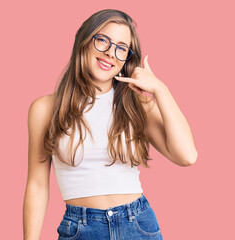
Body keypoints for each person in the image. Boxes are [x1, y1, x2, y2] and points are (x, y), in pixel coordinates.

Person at [23, 9, 198, 240]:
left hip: (138, 225)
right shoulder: (45, 109)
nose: (110, 54)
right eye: (103, 40)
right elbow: (37, 185)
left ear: (127, 58)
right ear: (84, 41)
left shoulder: (137, 105)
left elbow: (187, 156)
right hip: (81, 229)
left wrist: (161, 90)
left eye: (121, 48)